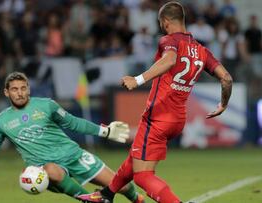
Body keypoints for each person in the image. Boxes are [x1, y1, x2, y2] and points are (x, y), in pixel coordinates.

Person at [77, 2, 233, 203]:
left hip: (158, 116)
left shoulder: (169, 41)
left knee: (142, 175)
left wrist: (137, 79)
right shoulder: (202, 50)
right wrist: (223, 104)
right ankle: (106, 195)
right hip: (177, 119)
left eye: (160, 22)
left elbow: (168, 61)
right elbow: (226, 78)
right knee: (135, 158)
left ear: (166, 21)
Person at [0, 72, 145, 203]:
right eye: (14, 89)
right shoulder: (1, 121)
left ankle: (137, 200)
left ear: (28, 89)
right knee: (51, 169)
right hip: (45, 169)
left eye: (23, 88)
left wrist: (105, 131)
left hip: (74, 155)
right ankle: (87, 198)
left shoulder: (46, 105)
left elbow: (73, 122)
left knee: (123, 185)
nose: (20, 93)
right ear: (6, 92)